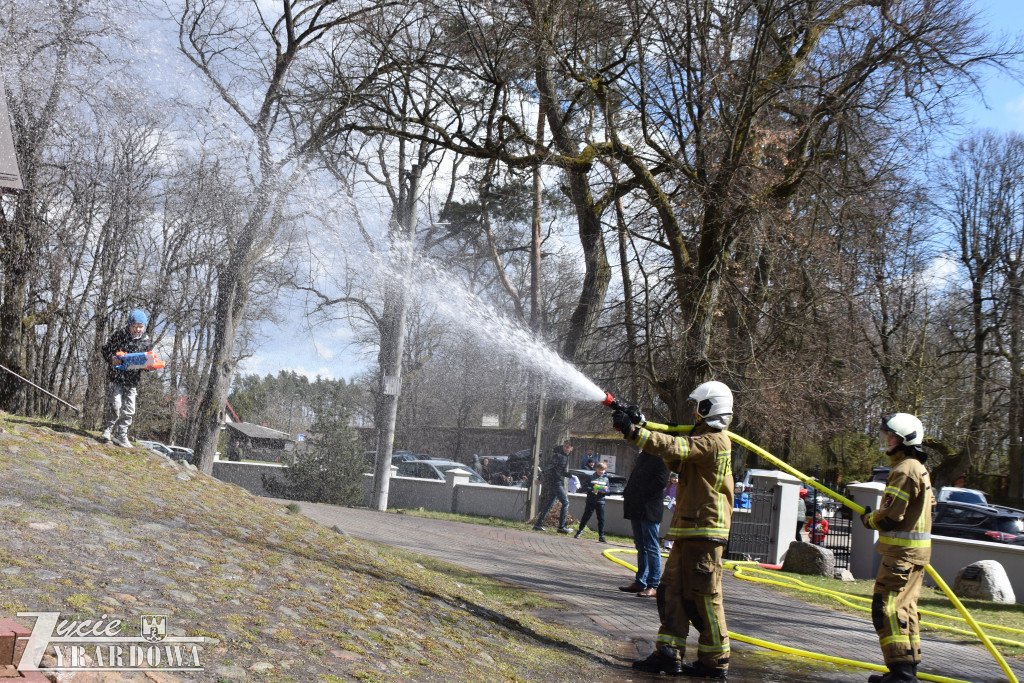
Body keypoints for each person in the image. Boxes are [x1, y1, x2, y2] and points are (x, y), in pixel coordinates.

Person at [613, 380, 734, 679]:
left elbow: (678, 447)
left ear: (710, 408)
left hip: (706, 532)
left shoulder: (715, 441)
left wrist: (634, 432)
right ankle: (668, 653)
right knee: (670, 592)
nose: (694, 412)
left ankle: (714, 661)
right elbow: (676, 459)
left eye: (698, 407)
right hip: (687, 530)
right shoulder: (701, 437)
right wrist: (641, 427)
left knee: (703, 597)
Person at [861, 413, 934, 683]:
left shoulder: (905, 470)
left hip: (900, 557)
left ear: (905, 440)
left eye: (891, 436)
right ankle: (906, 673)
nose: (887, 440)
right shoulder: (917, 467)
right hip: (913, 556)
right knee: (906, 610)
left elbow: (892, 516)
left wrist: (869, 519)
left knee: (886, 610)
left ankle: (901, 676)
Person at [619, 443, 669, 599]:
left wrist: (640, 492)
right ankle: (640, 582)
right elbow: (635, 477)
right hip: (637, 507)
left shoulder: (662, 457)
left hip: (650, 508)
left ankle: (653, 585)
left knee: (651, 547)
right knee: (641, 545)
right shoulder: (644, 455)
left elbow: (660, 482)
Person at [99, 310, 153, 449]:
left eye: (140, 326)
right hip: (116, 376)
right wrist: (111, 357)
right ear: (129, 325)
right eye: (135, 326)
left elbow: (146, 360)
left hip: (133, 380)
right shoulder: (119, 336)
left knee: (130, 409)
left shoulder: (146, 342)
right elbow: (105, 350)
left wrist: (149, 367)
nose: (137, 329)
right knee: (115, 405)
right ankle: (108, 429)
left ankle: (121, 434)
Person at [533, 440, 573, 533]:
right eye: (564, 446)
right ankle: (561, 527)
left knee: (549, 503)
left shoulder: (566, 457)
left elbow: (559, 470)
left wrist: (569, 475)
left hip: (555, 482)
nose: (565, 448)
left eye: (567, 447)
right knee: (565, 503)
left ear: (571, 449)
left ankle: (538, 524)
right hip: (556, 483)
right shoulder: (559, 456)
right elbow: (550, 465)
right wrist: (542, 474)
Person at [575, 462, 610, 541]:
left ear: (605, 471)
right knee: (586, 516)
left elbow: (608, 490)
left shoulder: (606, 479)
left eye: (603, 470)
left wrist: (605, 491)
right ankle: (579, 531)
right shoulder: (591, 477)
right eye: (599, 469)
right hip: (591, 500)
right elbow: (584, 488)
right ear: (596, 468)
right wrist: (591, 490)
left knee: (601, 518)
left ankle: (601, 536)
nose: (601, 471)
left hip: (600, 501)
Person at [663, 472, 678, 551]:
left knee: (674, 528)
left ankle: (669, 545)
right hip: (674, 510)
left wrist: (676, 503)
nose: (673, 479)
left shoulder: (682, 487)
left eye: (675, 478)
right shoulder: (671, 486)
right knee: (673, 527)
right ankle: (669, 545)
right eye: (672, 477)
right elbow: (664, 493)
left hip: (680, 511)